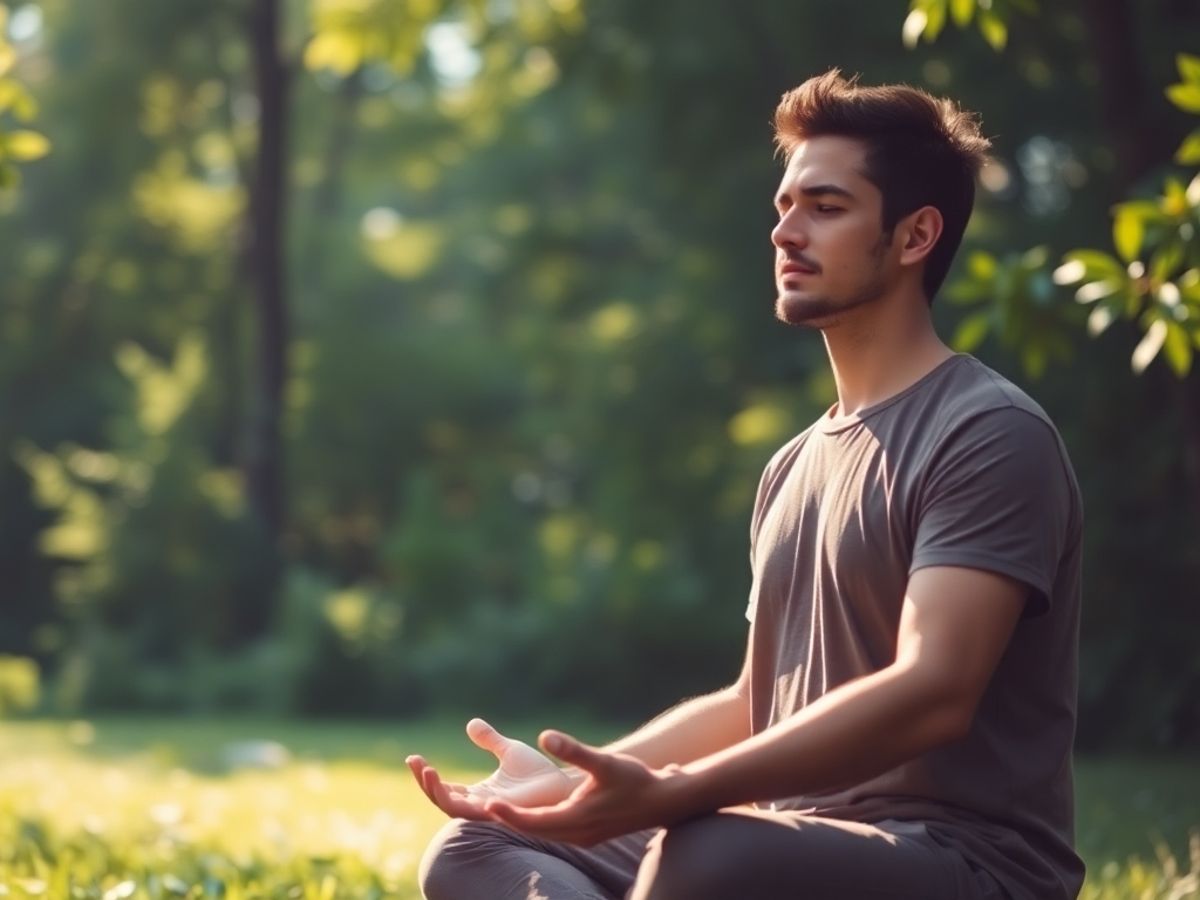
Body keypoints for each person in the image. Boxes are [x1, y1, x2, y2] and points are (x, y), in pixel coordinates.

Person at [406, 68, 1084, 900]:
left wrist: (681, 795)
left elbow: (933, 690)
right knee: (475, 849)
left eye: (825, 208)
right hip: (790, 845)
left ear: (914, 237)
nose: (785, 232)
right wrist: (568, 789)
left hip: (961, 863)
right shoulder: (794, 464)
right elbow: (755, 698)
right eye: (783, 207)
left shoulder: (988, 432)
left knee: (708, 855)